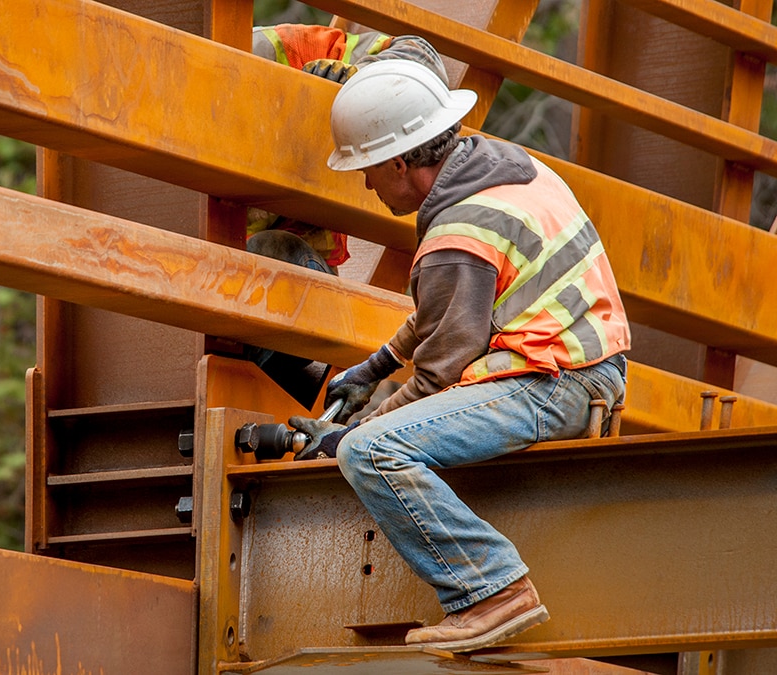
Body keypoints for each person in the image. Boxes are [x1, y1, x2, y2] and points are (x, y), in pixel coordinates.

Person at [288, 59, 632, 652]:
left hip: (554, 382)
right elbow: (448, 308)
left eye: (368, 169)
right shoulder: (507, 172)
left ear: (399, 161)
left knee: (371, 452)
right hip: (582, 369)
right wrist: (372, 369)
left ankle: (493, 591)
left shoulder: (456, 233)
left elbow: (438, 376)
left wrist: (349, 433)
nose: (367, 184)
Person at [249, 24, 449, 271]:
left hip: (286, 262)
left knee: (272, 250)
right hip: (214, 263)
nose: (368, 182)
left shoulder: (281, 49)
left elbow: (421, 58)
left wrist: (360, 82)